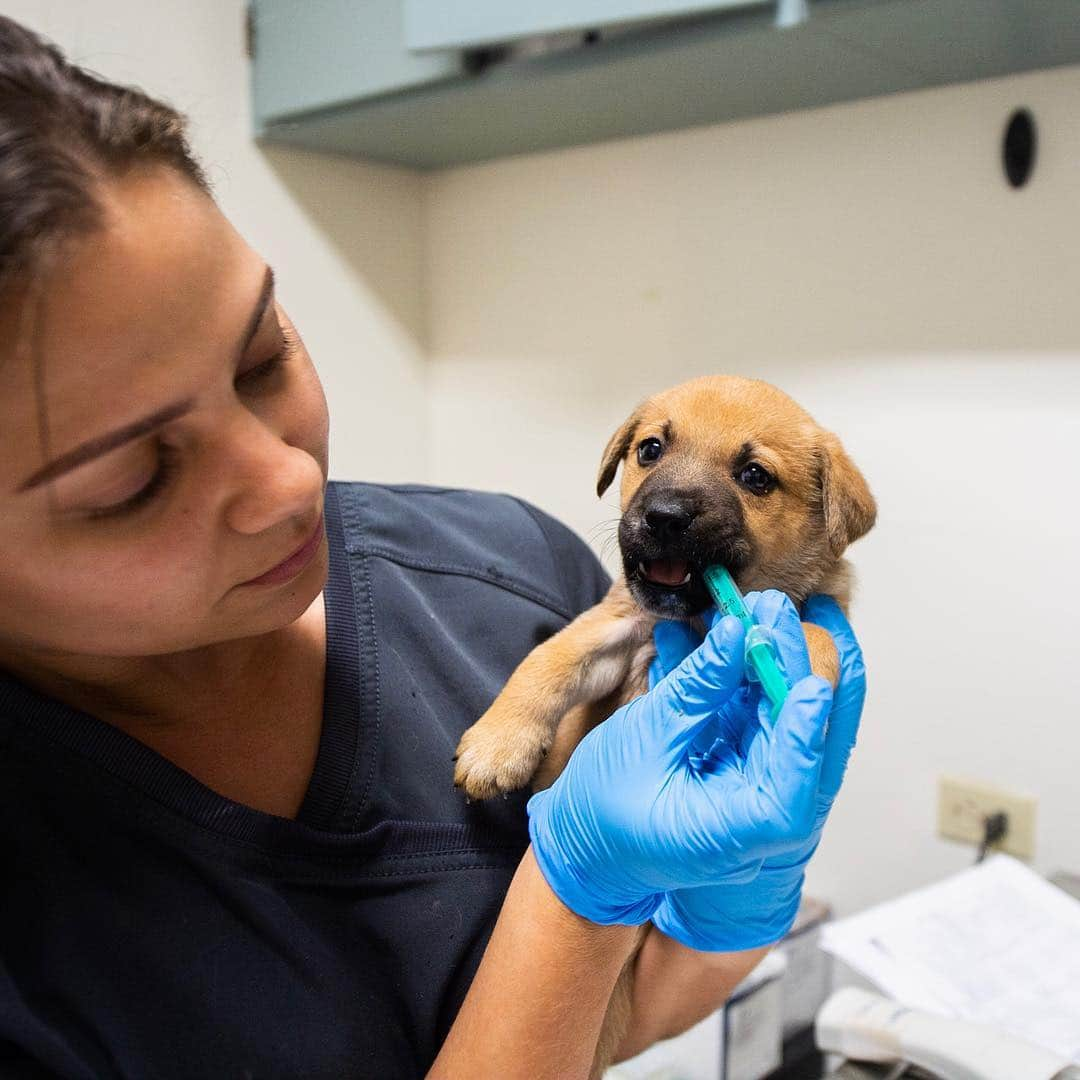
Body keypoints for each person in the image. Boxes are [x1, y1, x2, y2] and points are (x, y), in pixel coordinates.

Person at [0, 15, 866, 1080]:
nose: (288, 481)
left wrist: (738, 897)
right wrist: (570, 892)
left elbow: (635, 1010)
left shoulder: (509, 568)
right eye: (130, 476)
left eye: (264, 353)